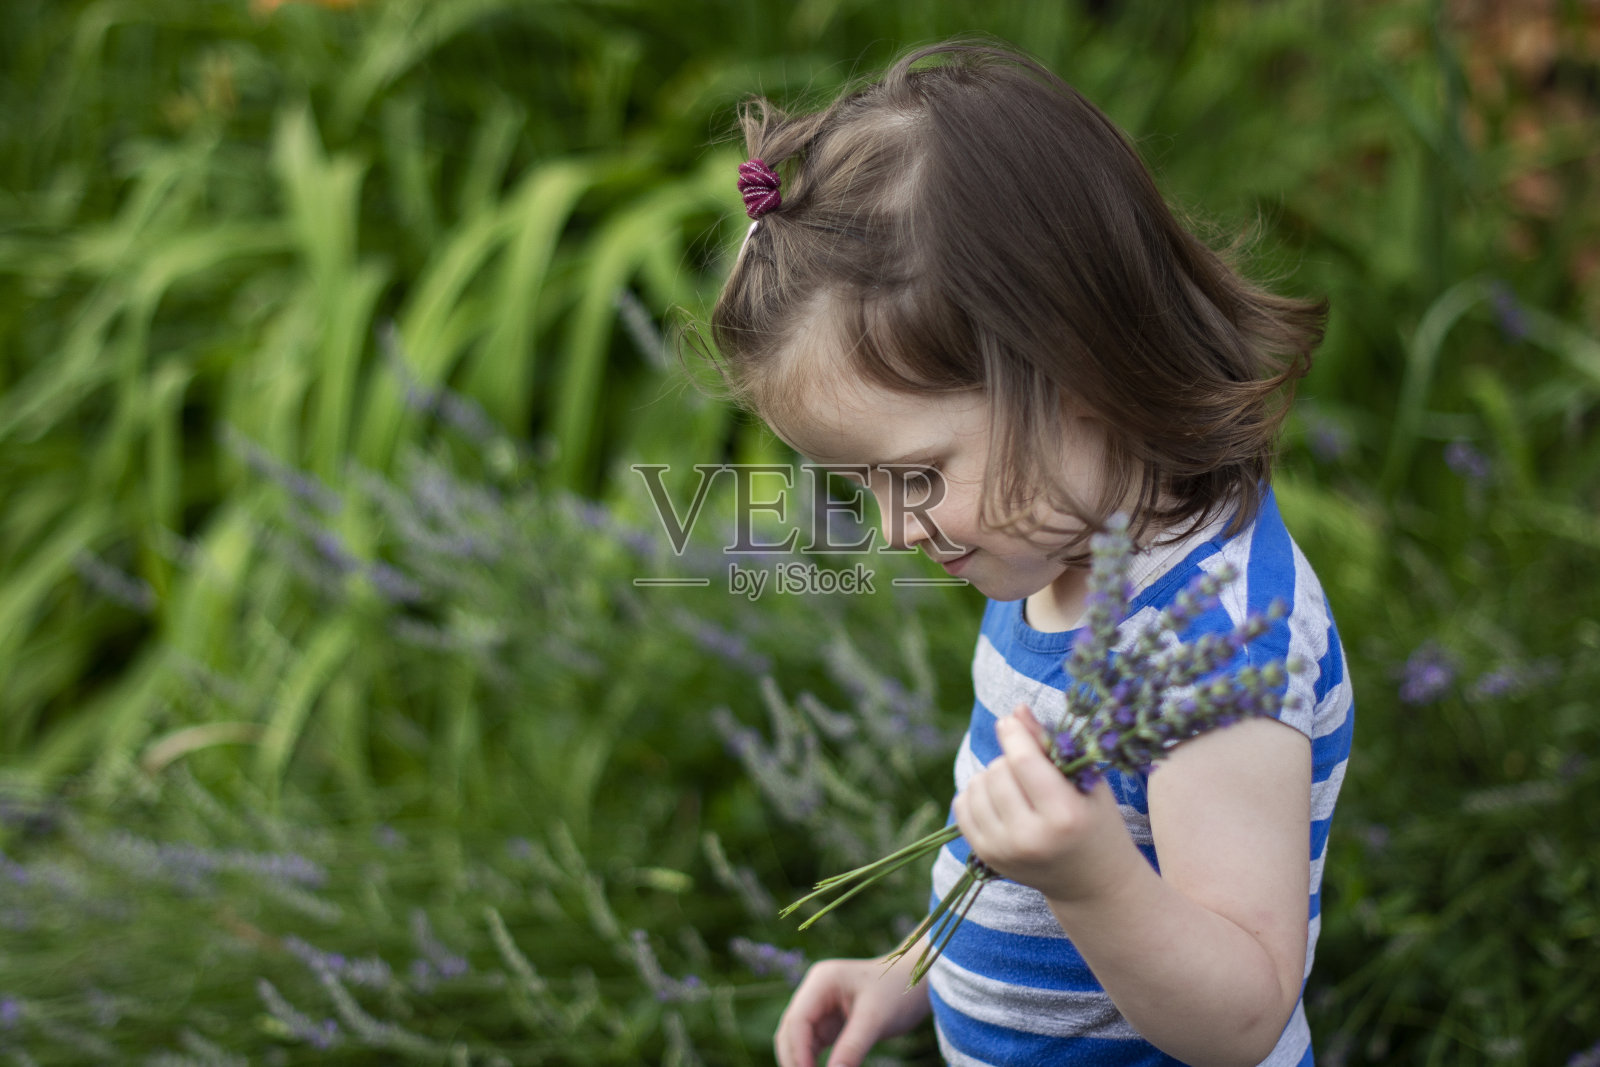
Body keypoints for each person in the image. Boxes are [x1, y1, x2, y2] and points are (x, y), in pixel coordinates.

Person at [702, 39, 1354, 1067]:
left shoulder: (1217, 647)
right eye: (858, 483)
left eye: (912, 467)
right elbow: (1009, 857)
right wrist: (914, 966)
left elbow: (1242, 1015)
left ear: (1075, 373)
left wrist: (1090, 874)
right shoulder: (1052, 553)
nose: (892, 523)